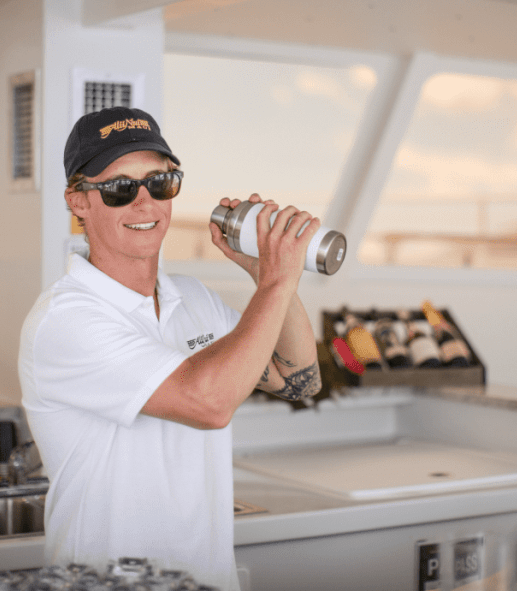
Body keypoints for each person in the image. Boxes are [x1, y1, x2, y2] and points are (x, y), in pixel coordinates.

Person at [18, 106, 321, 590]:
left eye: (159, 183)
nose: (145, 204)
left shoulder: (194, 298)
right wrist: (277, 282)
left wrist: (264, 274)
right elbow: (208, 403)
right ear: (78, 201)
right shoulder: (66, 318)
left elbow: (299, 380)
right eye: (120, 188)